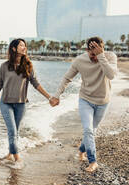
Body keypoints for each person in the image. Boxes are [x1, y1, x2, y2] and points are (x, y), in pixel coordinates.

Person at [50, 36, 117, 173]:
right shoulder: (80, 60)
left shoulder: (110, 57)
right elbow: (67, 78)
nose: (94, 57)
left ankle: (81, 149)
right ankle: (93, 161)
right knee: (88, 130)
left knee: (92, 130)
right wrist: (57, 95)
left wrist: (101, 56)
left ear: (102, 48)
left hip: (103, 101)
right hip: (85, 99)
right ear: (87, 50)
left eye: (97, 52)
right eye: (92, 54)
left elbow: (111, 75)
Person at [0, 38, 52, 163]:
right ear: (14, 48)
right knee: (12, 131)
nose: (24, 47)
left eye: (25, 45)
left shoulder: (28, 65)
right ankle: (17, 158)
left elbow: (36, 84)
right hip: (5, 103)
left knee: (15, 132)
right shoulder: (4, 66)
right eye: (21, 45)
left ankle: (9, 153)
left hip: (21, 104)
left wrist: (49, 97)